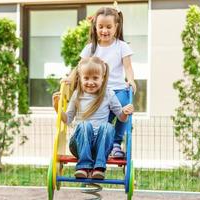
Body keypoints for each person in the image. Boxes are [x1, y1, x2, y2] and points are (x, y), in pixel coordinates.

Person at [64, 6, 137, 158]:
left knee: (124, 107)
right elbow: (79, 67)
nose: (105, 30)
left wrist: (131, 80)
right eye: (101, 26)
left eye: (109, 27)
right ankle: (94, 144)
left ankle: (116, 143)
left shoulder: (122, 46)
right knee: (98, 117)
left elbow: (128, 67)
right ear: (95, 27)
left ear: (116, 27)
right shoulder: (91, 48)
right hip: (97, 92)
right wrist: (70, 79)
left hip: (117, 89)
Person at [53, 57, 134, 179]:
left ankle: (99, 168)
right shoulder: (77, 95)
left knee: (108, 126)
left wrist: (125, 112)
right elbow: (68, 119)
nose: (90, 82)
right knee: (85, 125)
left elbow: (121, 118)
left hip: (100, 147)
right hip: (79, 145)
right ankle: (84, 166)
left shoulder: (108, 94)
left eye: (95, 78)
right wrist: (57, 108)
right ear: (80, 78)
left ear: (102, 78)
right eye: (86, 78)